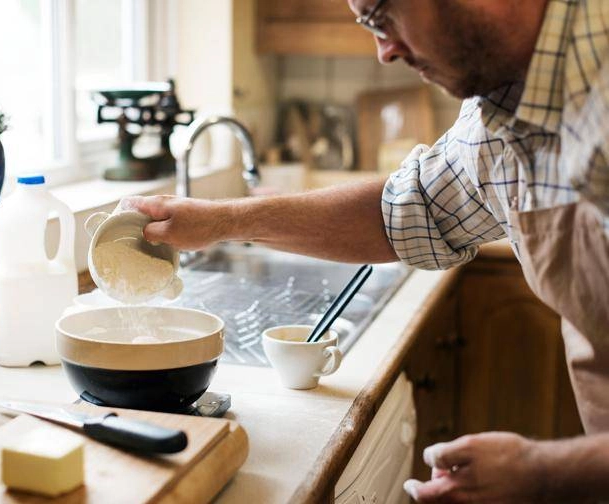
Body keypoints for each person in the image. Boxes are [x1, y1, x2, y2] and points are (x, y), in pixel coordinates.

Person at [124, 0, 609, 501]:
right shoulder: (503, 101)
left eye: (382, 16)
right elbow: (406, 211)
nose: (384, 50)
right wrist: (221, 221)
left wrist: (548, 472)